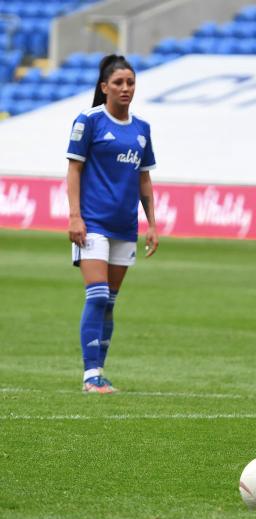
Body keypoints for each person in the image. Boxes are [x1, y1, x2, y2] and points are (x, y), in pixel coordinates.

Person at [66, 54, 158, 394]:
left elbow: (144, 180)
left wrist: (152, 223)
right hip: (92, 224)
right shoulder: (89, 121)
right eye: (118, 83)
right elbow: (73, 170)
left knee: (111, 300)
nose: (125, 88)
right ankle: (90, 376)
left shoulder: (141, 129)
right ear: (104, 87)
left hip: (124, 227)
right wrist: (75, 216)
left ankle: (99, 372)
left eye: (130, 82)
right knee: (98, 294)